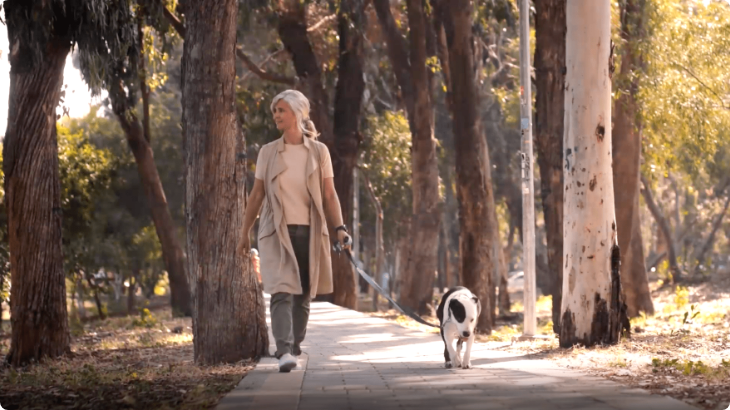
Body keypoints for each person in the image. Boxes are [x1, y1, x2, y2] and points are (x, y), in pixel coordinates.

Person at [239, 89, 352, 373]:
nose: (276, 115)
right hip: (276, 231)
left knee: (303, 294)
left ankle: (295, 345)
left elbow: (329, 194)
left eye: (281, 110)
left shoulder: (318, 151)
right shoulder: (267, 152)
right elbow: (256, 195)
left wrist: (339, 228)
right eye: (275, 110)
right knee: (280, 289)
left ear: (297, 113)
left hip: (310, 230)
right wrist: (244, 232)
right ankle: (284, 350)